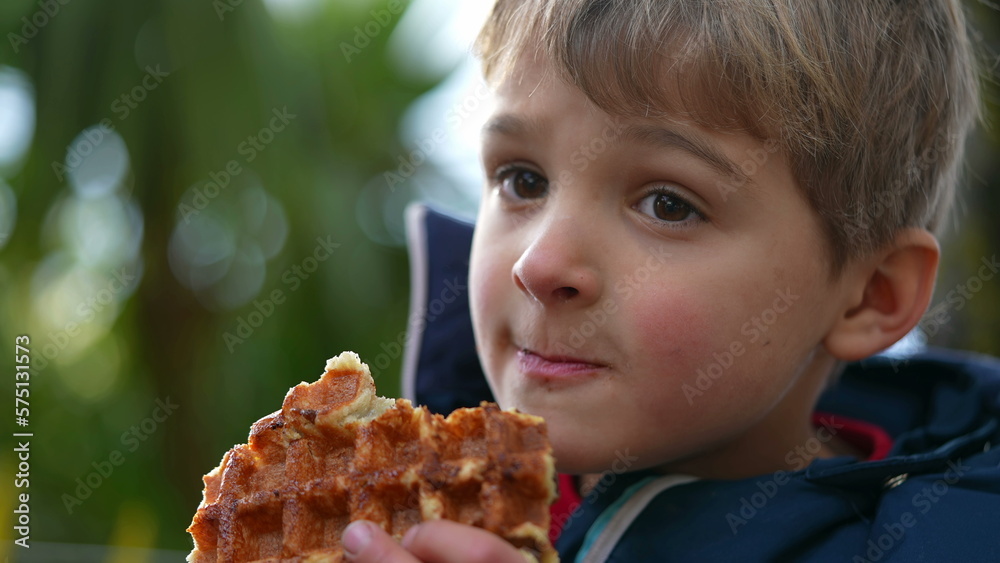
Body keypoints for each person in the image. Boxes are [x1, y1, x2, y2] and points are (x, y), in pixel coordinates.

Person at [342, 0, 1000, 561]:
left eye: (667, 204)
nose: (537, 265)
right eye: (523, 179)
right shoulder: (416, 494)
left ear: (870, 294)